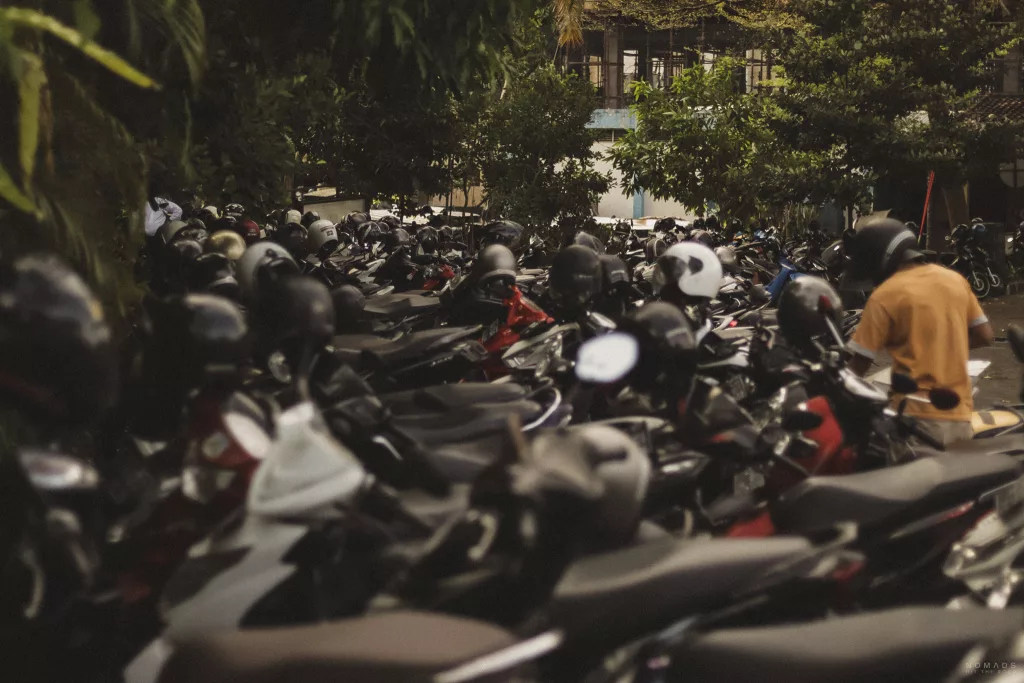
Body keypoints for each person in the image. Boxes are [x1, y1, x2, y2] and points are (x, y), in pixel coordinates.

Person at [846, 218, 994, 447]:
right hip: (961, 416)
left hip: (915, 420)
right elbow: (985, 335)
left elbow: (859, 365)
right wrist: (943, 346)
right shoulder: (955, 280)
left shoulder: (885, 295)